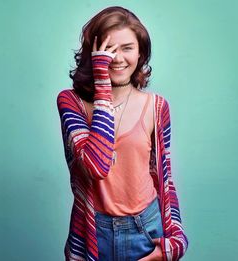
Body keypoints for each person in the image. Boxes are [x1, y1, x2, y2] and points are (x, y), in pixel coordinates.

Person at [57, 6, 188, 261]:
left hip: (146, 231)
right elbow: (96, 165)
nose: (117, 58)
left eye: (127, 48)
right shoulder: (71, 103)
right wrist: (103, 86)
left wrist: (175, 243)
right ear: (93, 53)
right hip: (94, 233)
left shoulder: (156, 107)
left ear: (140, 53)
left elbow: (165, 178)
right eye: (108, 48)